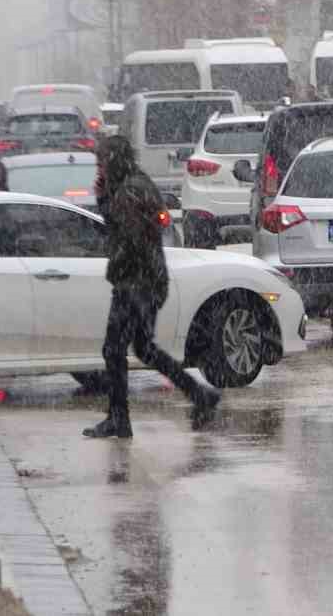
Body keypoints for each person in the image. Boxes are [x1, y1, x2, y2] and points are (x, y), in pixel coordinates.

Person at [84, 136, 220, 440]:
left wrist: (116, 267)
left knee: (114, 349)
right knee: (142, 349)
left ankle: (120, 418)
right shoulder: (133, 184)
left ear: (113, 160)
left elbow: (130, 239)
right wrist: (104, 197)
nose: (99, 168)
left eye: (101, 162)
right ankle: (199, 395)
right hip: (146, 281)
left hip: (136, 283)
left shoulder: (129, 191)